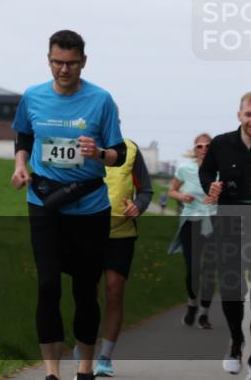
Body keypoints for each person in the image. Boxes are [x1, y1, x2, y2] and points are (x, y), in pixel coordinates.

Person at [10, 29, 127, 380]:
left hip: (89, 207)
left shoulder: (101, 100)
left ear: (83, 63)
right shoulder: (32, 97)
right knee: (48, 285)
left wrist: (100, 153)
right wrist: (20, 165)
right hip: (44, 202)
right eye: (58, 63)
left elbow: (118, 154)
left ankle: (86, 368)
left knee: (84, 289)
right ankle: (51, 373)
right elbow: (24, 135)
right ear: (49, 60)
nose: (64, 70)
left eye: (71, 64)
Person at [199, 91, 251, 378]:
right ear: (239, 115)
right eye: (249, 114)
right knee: (233, 292)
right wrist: (210, 187)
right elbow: (206, 172)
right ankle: (236, 341)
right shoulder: (222, 144)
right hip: (230, 222)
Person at [91, 138, 153, 377]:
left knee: (114, 291)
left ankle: (105, 356)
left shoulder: (132, 150)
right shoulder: (82, 146)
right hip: (86, 231)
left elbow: (146, 190)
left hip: (121, 234)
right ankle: (85, 343)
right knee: (87, 293)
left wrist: (138, 205)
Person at [166, 133, 218, 330]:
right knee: (193, 268)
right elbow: (171, 190)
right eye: (200, 146)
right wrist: (181, 195)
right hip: (191, 222)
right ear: (194, 149)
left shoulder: (221, 170)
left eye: (208, 146)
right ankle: (192, 304)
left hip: (214, 222)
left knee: (210, 270)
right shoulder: (184, 169)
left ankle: (204, 314)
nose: (204, 149)